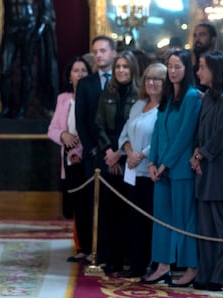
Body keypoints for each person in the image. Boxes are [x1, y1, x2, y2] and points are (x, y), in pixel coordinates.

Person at [142, 49, 201, 287]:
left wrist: (165, 164)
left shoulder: (192, 96)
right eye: (170, 67)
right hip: (161, 169)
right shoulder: (167, 96)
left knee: (184, 220)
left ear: (187, 69)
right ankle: (163, 265)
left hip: (180, 170)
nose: (173, 71)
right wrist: (153, 162)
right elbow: (158, 132)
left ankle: (191, 267)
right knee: (162, 218)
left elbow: (185, 136)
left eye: (178, 66)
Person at [190, 51, 223, 291]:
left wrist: (201, 154)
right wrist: (197, 152)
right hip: (206, 169)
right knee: (206, 227)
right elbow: (201, 132)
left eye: (202, 67)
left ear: (215, 70)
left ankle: (221, 277)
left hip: (222, 171)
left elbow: (221, 135)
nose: (198, 72)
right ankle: (206, 274)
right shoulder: (208, 96)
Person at [117, 62, 167, 278]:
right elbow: (124, 135)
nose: (151, 82)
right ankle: (136, 265)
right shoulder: (138, 104)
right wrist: (129, 152)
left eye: (157, 79)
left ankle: (153, 265)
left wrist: (141, 155)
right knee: (134, 221)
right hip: (132, 170)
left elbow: (162, 138)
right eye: (148, 78)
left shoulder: (165, 107)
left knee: (150, 222)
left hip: (151, 172)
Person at [95, 50, 140, 274]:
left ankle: (130, 257)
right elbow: (99, 124)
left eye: (125, 67)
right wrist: (109, 152)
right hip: (109, 154)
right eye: (118, 67)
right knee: (109, 209)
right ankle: (111, 257)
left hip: (130, 156)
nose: (121, 70)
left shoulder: (140, 95)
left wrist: (121, 153)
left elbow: (135, 129)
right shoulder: (107, 93)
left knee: (128, 209)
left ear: (132, 69)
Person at [75, 35, 116, 265]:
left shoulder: (122, 79)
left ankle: (117, 253)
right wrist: (92, 149)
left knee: (117, 205)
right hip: (95, 156)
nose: (99, 55)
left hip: (118, 155)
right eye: (96, 51)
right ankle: (98, 252)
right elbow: (81, 121)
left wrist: (116, 151)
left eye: (103, 50)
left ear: (113, 53)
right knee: (96, 204)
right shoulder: (86, 83)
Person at [48, 56, 92, 263]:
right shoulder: (63, 99)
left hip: (88, 160)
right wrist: (64, 136)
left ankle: (95, 248)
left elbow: (92, 129)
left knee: (91, 204)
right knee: (78, 205)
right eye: (76, 70)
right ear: (70, 75)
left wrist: (79, 151)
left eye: (84, 70)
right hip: (68, 159)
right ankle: (83, 248)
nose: (80, 74)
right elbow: (53, 129)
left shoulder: (93, 96)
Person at [0, 0, 58, 118]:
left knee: (26, 70)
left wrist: (39, 29)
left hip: (28, 27)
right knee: (4, 70)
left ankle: (22, 109)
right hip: (11, 28)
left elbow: (46, 8)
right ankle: (6, 108)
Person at [191, 22, 217, 92]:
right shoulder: (192, 65)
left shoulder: (219, 65)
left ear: (213, 39)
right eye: (195, 35)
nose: (197, 39)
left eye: (202, 35)